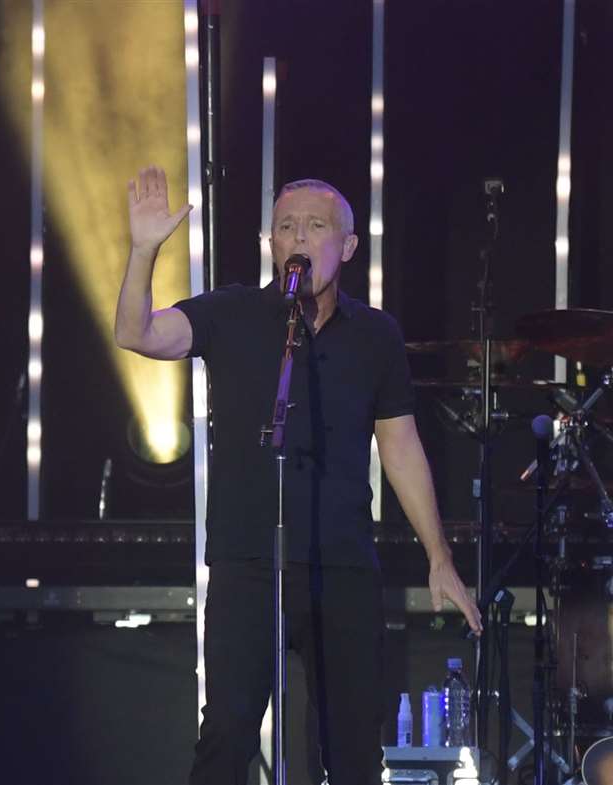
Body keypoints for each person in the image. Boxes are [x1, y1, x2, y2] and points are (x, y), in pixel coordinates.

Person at [113, 166, 483, 784]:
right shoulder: (232, 312)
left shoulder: (375, 335)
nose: (299, 238)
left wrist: (438, 555)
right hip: (248, 560)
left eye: (316, 226)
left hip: (342, 563)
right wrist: (145, 249)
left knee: (350, 749)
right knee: (228, 735)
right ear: (272, 244)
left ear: (348, 246)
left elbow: (399, 446)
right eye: (286, 227)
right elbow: (137, 332)